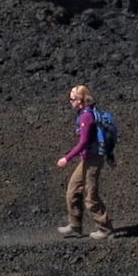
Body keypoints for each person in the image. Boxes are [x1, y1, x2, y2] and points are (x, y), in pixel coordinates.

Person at [56, 85, 114, 239]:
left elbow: (84, 142)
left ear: (80, 101)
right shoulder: (83, 114)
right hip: (87, 159)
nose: (70, 102)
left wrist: (66, 158)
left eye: (72, 99)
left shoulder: (86, 117)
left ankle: (105, 228)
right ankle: (75, 225)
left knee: (90, 196)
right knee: (72, 191)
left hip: (93, 160)